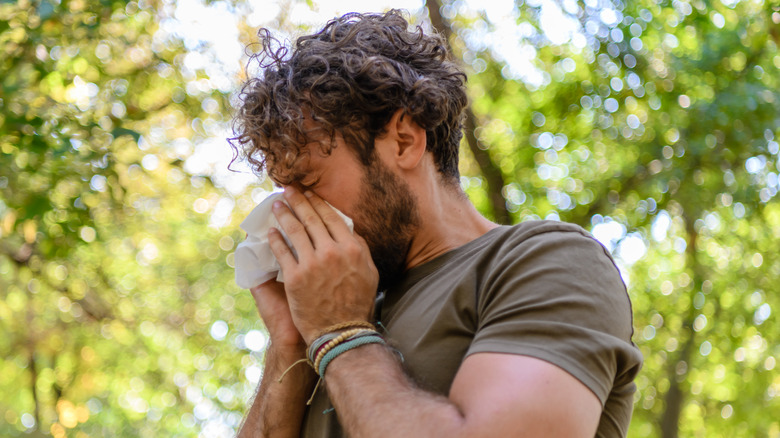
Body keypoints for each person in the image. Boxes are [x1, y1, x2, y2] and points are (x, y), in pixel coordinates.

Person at [230, 10, 642, 438]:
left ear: (405, 141)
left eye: (309, 183)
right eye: (283, 190)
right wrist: (292, 344)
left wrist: (341, 333)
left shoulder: (546, 262)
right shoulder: (337, 309)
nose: (291, 211)